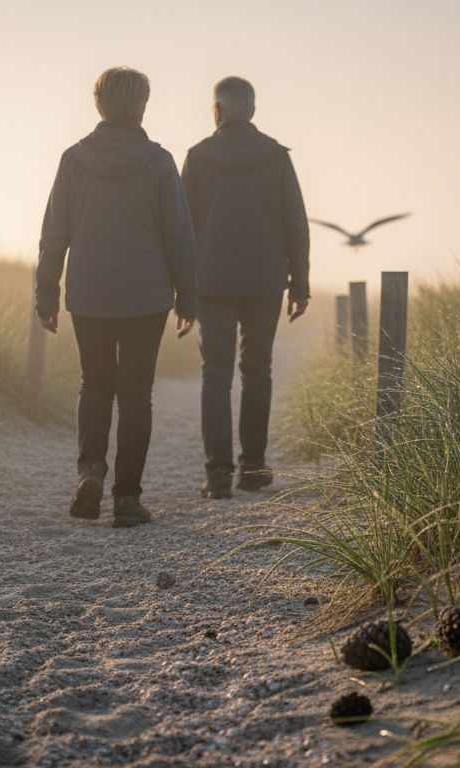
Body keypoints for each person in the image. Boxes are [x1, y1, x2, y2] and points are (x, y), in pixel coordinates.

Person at [35, 66, 198, 527]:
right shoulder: (160, 162)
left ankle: (90, 471)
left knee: (95, 384)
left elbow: (54, 234)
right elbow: (179, 238)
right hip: (146, 295)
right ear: (142, 105)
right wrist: (189, 300)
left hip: (89, 292)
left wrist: (46, 293)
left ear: (98, 104)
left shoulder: (73, 160)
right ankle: (127, 499)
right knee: (135, 395)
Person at [181, 76, 310, 499]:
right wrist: (300, 284)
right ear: (251, 111)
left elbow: (182, 229)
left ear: (216, 111)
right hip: (263, 281)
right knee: (258, 370)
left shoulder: (198, 158)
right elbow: (296, 223)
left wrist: (182, 289)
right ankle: (253, 467)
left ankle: (218, 474)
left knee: (214, 375)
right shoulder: (275, 157)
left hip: (211, 281)